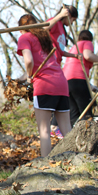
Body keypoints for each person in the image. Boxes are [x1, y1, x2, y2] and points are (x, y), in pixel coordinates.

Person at [16, 14, 71, 157]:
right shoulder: (45, 38)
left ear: (22, 29)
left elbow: (29, 61)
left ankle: (45, 164)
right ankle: (76, 159)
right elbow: (46, 62)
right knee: (67, 129)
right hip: (61, 82)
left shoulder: (24, 37)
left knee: (44, 130)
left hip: (44, 85)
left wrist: (29, 77)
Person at [46, 5, 78, 138]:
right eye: (73, 20)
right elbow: (43, 29)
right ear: (68, 15)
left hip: (57, 64)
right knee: (55, 93)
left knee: (63, 93)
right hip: (49, 63)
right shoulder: (55, 21)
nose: (72, 23)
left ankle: (56, 126)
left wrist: (75, 56)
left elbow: (61, 50)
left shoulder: (63, 30)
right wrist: (59, 15)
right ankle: (53, 126)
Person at [62, 30, 98, 125]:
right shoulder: (87, 43)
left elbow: (74, 72)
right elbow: (88, 56)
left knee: (74, 114)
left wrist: (90, 86)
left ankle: (74, 136)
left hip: (66, 82)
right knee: (86, 112)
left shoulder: (74, 47)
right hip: (78, 81)